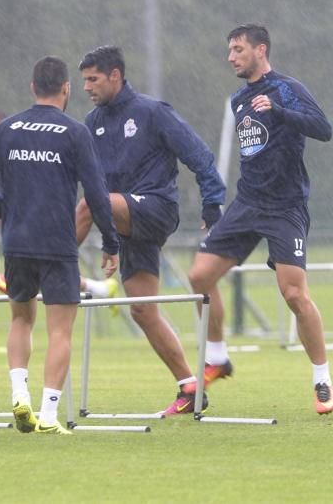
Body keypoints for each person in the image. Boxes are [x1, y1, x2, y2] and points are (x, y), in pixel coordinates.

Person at [188, 24, 333, 415]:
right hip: (247, 203)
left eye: (238, 49)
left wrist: (281, 112)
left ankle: (322, 379)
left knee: (293, 295)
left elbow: (324, 129)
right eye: (230, 50)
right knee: (199, 277)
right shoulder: (238, 99)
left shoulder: (286, 88)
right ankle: (218, 358)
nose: (231, 57)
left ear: (261, 50)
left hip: (285, 206)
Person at [76, 45, 227, 415]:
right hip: (125, 220)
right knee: (143, 310)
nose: (86, 88)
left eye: (92, 79)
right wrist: (110, 242)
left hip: (157, 208)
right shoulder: (92, 123)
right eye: (83, 81)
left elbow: (200, 156)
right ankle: (190, 386)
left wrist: (212, 203)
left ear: (115, 76)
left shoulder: (152, 112)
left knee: (87, 203)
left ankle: (46, 265)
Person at [0, 56, 119, 435]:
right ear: (67, 88)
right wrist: (111, 241)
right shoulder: (74, 132)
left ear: (32, 88)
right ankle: (49, 414)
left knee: (21, 319)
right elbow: (97, 193)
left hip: (17, 242)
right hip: (57, 243)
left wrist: (2, 209)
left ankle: (19, 393)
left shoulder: (8, 129)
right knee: (60, 331)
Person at [0, 107, 117, 302]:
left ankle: (99, 287)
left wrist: (1, 207)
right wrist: (0, 208)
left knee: (28, 307)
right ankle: (99, 288)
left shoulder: (12, 140)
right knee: (42, 282)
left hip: (39, 229)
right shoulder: (2, 149)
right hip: (26, 231)